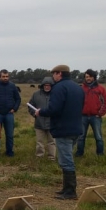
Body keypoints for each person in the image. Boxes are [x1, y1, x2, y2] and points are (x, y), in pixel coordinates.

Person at [36, 65, 85, 200]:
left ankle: (70, 191)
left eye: (54, 74)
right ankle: (66, 188)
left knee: (66, 160)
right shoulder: (77, 87)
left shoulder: (58, 88)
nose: (53, 76)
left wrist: (41, 112)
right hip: (76, 128)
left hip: (63, 129)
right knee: (66, 158)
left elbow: (54, 109)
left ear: (59, 74)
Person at [76, 69, 106, 157]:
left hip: (96, 117)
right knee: (81, 137)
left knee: (98, 137)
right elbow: (76, 101)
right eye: (86, 77)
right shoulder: (81, 88)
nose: (88, 78)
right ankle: (79, 154)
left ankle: (100, 154)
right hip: (83, 116)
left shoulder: (101, 89)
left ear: (94, 77)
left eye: (90, 77)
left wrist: (100, 113)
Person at [0, 69, 21, 157]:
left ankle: (9, 152)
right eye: (3, 77)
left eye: (7, 77)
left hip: (9, 113)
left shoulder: (12, 86)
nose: (5, 78)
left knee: (9, 135)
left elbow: (18, 99)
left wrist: (14, 108)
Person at [28, 77, 56, 160]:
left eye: (49, 85)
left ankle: (52, 157)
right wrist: (34, 114)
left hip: (52, 123)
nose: (47, 87)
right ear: (42, 86)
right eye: (45, 85)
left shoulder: (56, 94)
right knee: (39, 141)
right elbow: (30, 106)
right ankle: (39, 156)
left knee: (52, 142)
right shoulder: (36, 94)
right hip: (39, 123)